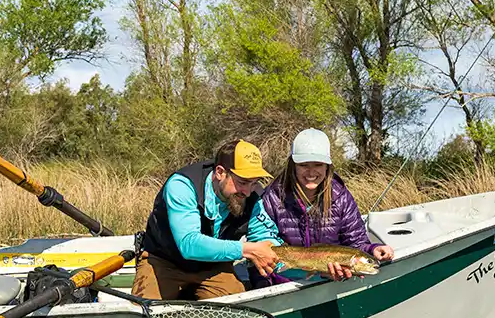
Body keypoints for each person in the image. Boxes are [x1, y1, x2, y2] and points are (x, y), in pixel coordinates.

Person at [133, 139, 281, 300]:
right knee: (145, 309)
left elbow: (265, 236)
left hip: (214, 266)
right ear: (220, 172)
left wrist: (278, 254)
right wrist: (246, 250)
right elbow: (189, 244)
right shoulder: (182, 186)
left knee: (238, 308)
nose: (247, 191)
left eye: (254, 183)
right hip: (164, 261)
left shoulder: (253, 197)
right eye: (242, 182)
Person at [257, 128, 394, 284]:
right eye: (303, 165)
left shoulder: (342, 198)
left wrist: (372, 249)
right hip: (282, 282)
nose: (311, 172)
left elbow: (356, 242)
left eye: (318, 164)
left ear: (327, 166)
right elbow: (262, 247)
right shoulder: (273, 197)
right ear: (293, 165)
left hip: (328, 283)